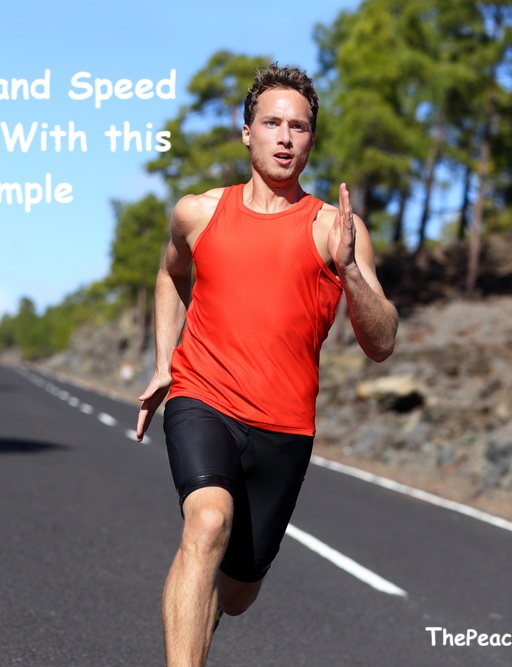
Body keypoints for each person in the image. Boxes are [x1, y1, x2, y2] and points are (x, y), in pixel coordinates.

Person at [135, 63, 399, 667]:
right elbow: (172, 272)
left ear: (311, 140)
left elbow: (381, 341)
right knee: (206, 523)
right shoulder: (197, 213)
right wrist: (163, 362)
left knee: (239, 589)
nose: (285, 136)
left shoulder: (337, 229)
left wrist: (352, 271)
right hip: (203, 398)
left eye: (299, 127)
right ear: (246, 132)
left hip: (284, 428)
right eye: (272, 122)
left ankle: (210, 615)